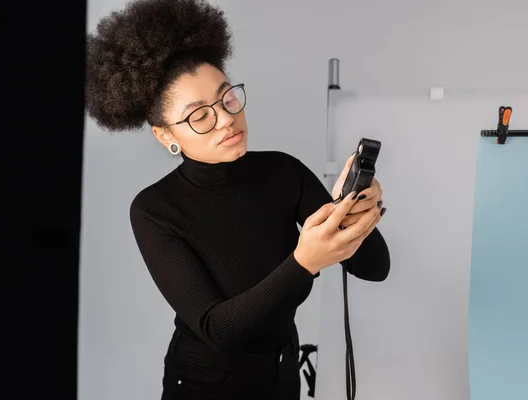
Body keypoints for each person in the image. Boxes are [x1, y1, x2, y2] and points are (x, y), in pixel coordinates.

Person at [85, 0, 390, 398]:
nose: (226, 118)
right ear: (165, 135)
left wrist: (354, 212)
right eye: (199, 115)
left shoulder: (284, 172)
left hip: (282, 378)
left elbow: (374, 266)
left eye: (227, 98)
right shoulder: (154, 210)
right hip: (204, 386)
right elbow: (218, 328)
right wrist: (305, 263)